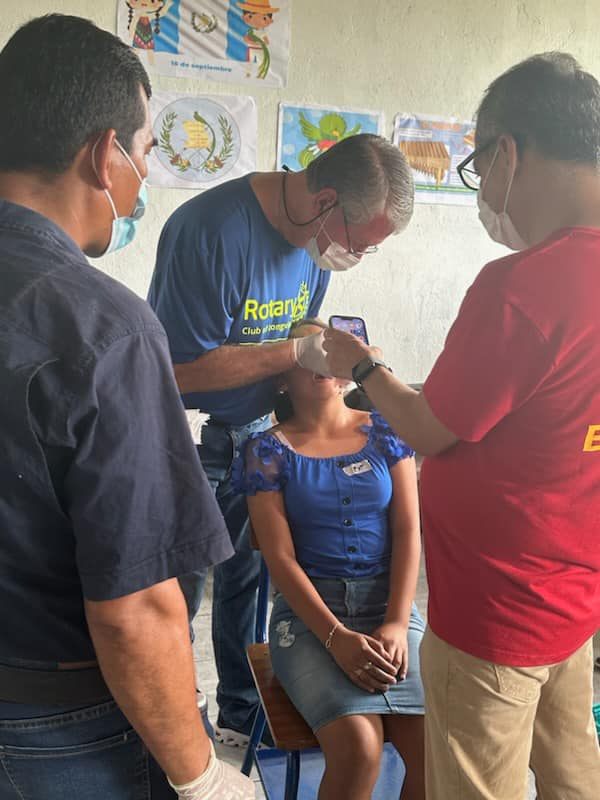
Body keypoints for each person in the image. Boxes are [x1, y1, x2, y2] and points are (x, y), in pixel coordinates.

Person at [322, 52, 600, 800]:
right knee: (575, 778)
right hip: (574, 600)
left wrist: (361, 365)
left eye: (478, 167)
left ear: (508, 153)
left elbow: (430, 429)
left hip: (496, 615)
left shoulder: (525, 286)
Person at [0, 14, 253, 800]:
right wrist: (200, 774)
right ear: (102, 154)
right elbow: (135, 606)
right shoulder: (100, 327)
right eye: (145, 152)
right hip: (53, 724)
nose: (144, 174)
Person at [147, 133, 414, 746]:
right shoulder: (210, 231)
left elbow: (298, 348)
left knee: (246, 585)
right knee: (176, 595)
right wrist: (294, 353)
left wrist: (334, 369)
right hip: (187, 440)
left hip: (254, 435)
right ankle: (175, 737)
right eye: (357, 243)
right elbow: (175, 373)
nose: (354, 257)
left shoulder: (314, 249)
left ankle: (240, 718)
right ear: (324, 201)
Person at [232, 319, 425, 800]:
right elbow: (279, 558)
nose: (323, 356)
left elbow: (408, 530)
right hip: (309, 621)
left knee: (435, 750)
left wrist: (396, 622)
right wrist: (336, 637)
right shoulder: (266, 451)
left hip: (391, 611)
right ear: (283, 375)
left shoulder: (386, 429)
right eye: (309, 348)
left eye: (331, 348)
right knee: (360, 749)